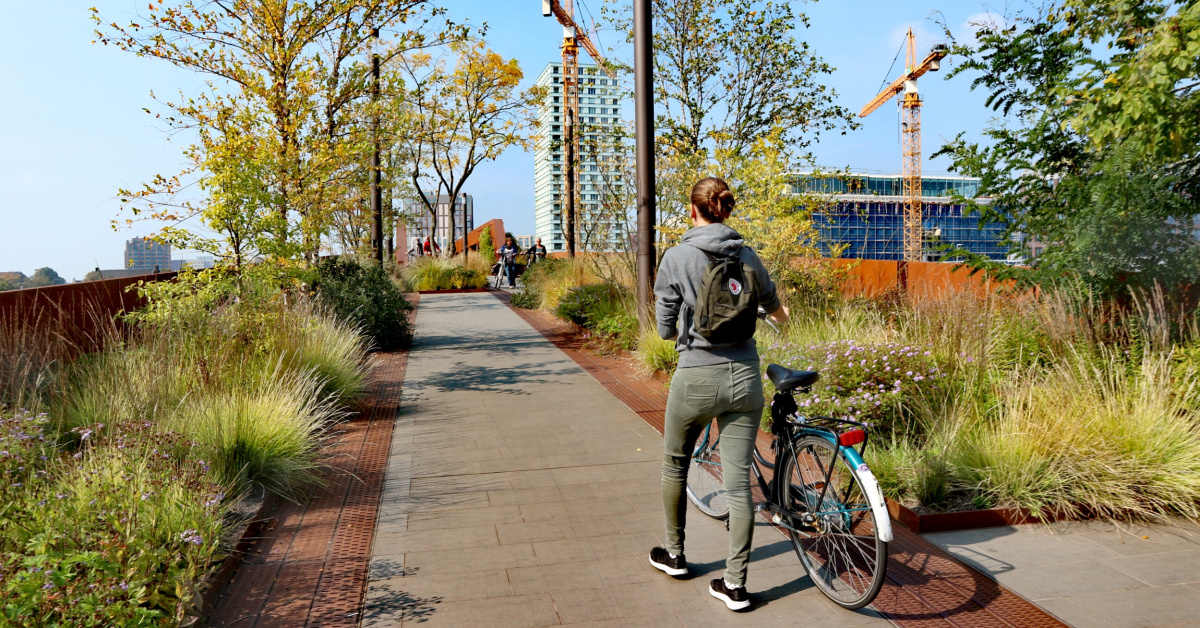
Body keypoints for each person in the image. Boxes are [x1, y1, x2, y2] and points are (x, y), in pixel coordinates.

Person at [648, 176, 789, 612]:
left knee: (675, 463)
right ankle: (735, 585)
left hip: (696, 377)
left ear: (693, 210)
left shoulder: (676, 257)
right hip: (745, 378)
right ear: (725, 209)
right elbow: (776, 309)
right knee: (738, 486)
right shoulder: (748, 254)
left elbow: (665, 329)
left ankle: (674, 555)